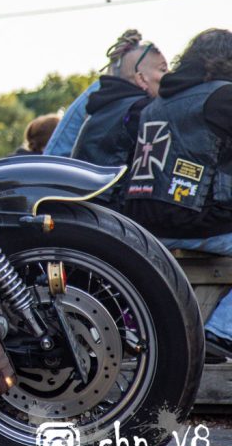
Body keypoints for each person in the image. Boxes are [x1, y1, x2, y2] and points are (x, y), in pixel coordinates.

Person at [121, 29, 232, 362]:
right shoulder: (223, 96)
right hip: (198, 220)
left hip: (145, 226)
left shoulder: (156, 103)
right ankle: (221, 331)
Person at [71, 30, 168, 168]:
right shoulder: (140, 110)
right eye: (163, 70)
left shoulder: (106, 107)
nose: (170, 75)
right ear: (141, 78)